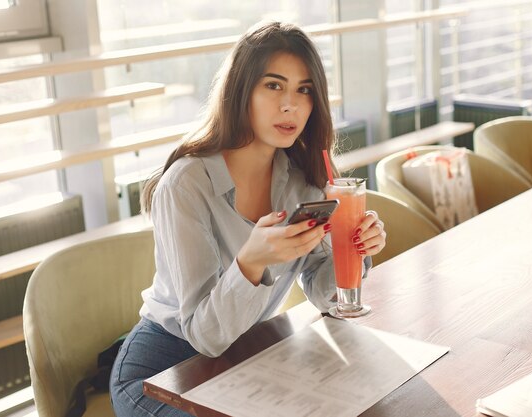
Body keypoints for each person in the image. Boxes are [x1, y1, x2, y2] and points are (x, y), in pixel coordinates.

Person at [110, 21, 387, 416]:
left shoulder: (304, 182)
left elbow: (324, 295)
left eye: (303, 90)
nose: (290, 104)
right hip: (160, 369)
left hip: (242, 352)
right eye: (274, 85)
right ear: (242, 90)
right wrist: (251, 262)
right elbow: (205, 336)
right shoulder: (186, 184)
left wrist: (354, 251)